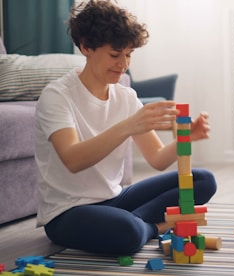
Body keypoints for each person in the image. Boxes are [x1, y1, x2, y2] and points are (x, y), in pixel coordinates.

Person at [35, 0, 217, 255]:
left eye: (128, 54)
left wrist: (188, 138)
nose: (123, 63)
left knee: (204, 180)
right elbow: (72, 159)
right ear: (86, 47)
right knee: (128, 233)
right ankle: (154, 227)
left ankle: (137, 222)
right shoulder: (57, 95)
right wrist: (128, 125)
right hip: (66, 213)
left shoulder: (126, 96)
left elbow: (157, 159)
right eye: (115, 54)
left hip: (115, 200)